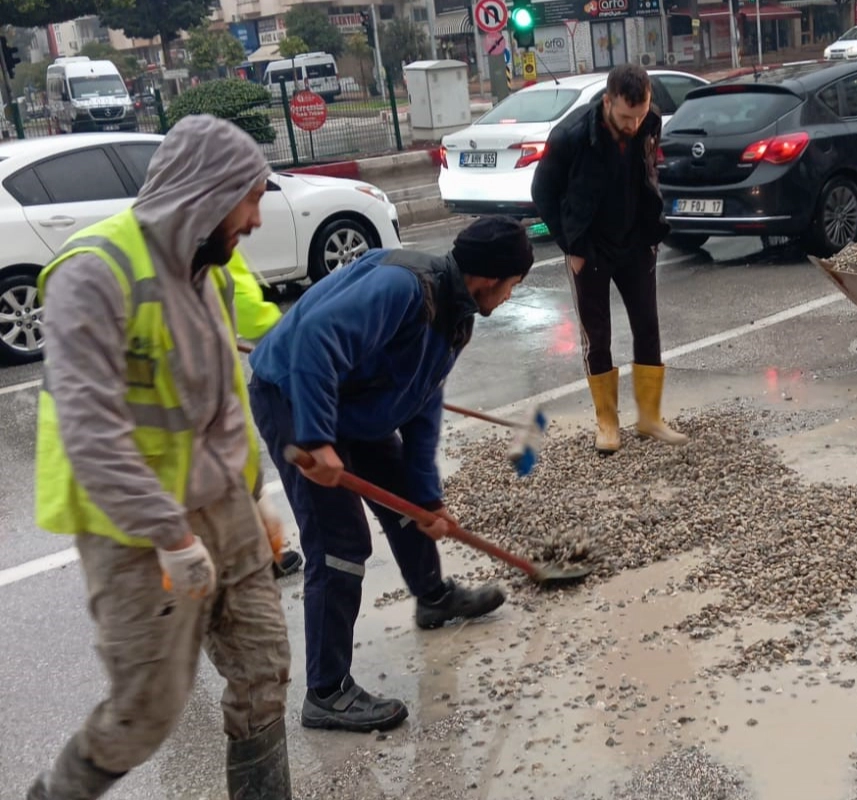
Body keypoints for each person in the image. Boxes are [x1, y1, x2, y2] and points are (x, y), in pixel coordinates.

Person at [27, 115, 293, 799]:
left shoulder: (210, 274)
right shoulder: (94, 273)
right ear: (207, 194)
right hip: (136, 528)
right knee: (147, 710)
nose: (256, 220)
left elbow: (224, 397)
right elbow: (90, 428)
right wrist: (171, 536)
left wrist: (256, 491)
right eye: (249, 200)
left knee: (263, 668)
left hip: (224, 505)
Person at [246, 215, 533, 734]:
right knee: (340, 542)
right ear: (491, 277)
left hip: (357, 402)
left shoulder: (455, 316)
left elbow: (421, 406)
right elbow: (314, 339)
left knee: (408, 503)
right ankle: (327, 691)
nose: (511, 294)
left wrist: (428, 497)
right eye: (514, 283)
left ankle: (433, 598)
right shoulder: (404, 288)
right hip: (295, 394)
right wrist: (317, 438)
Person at [531, 63, 687, 455]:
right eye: (625, 117)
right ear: (607, 102)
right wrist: (571, 246)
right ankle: (607, 423)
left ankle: (650, 418)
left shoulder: (650, 122)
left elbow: (647, 173)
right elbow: (542, 192)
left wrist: (651, 233)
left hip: (636, 242)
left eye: (640, 115)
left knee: (648, 327)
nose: (634, 125)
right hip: (589, 248)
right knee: (597, 336)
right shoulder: (571, 137)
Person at [227, 250, 304, 580]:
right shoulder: (210, 239)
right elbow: (248, 310)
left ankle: (261, 549)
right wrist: (290, 340)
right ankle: (258, 552)